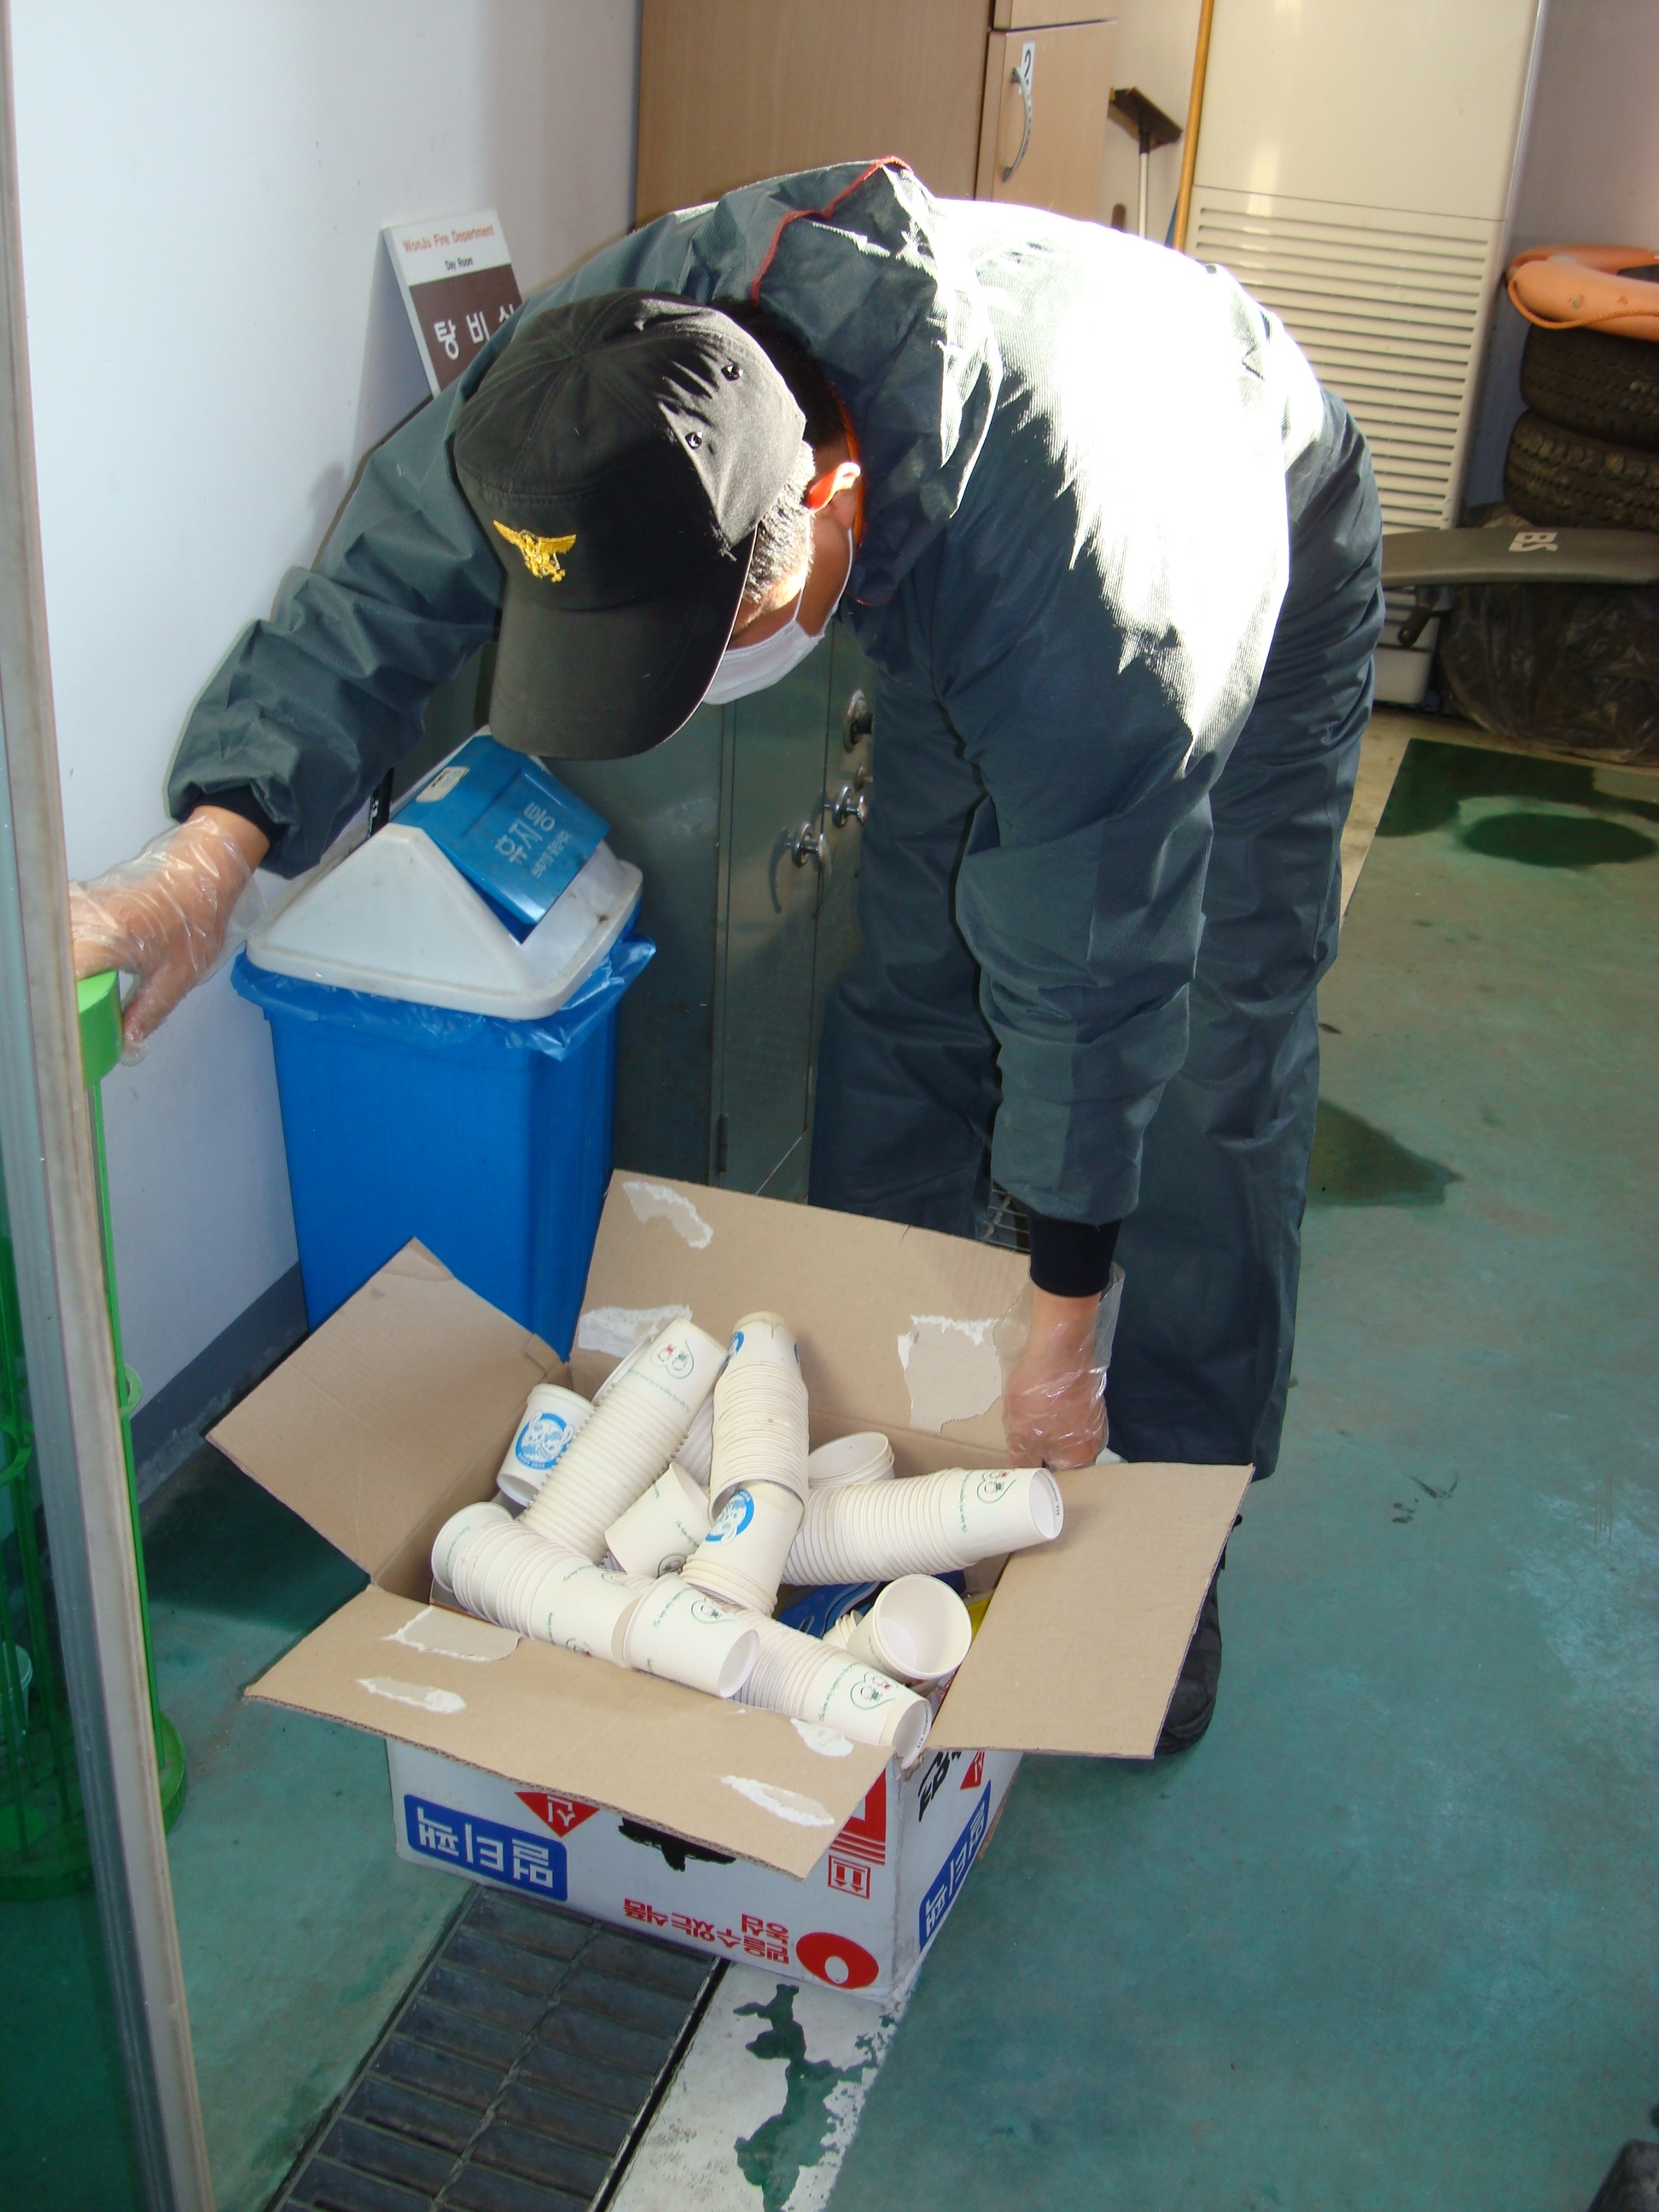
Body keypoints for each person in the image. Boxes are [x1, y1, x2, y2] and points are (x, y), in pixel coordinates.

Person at [70, 162, 1383, 1750]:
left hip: (1229, 512)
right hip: (956, 531)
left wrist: (1066, 1330)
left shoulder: (1091, 612)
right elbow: (387, 576)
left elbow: (1104, 968)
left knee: (1206, 1069)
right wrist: (208, 856)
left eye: (722, 630)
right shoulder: (608, 380)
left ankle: (1160, 1533)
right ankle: (878, 1440)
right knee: (917, 980)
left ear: (827, 499)